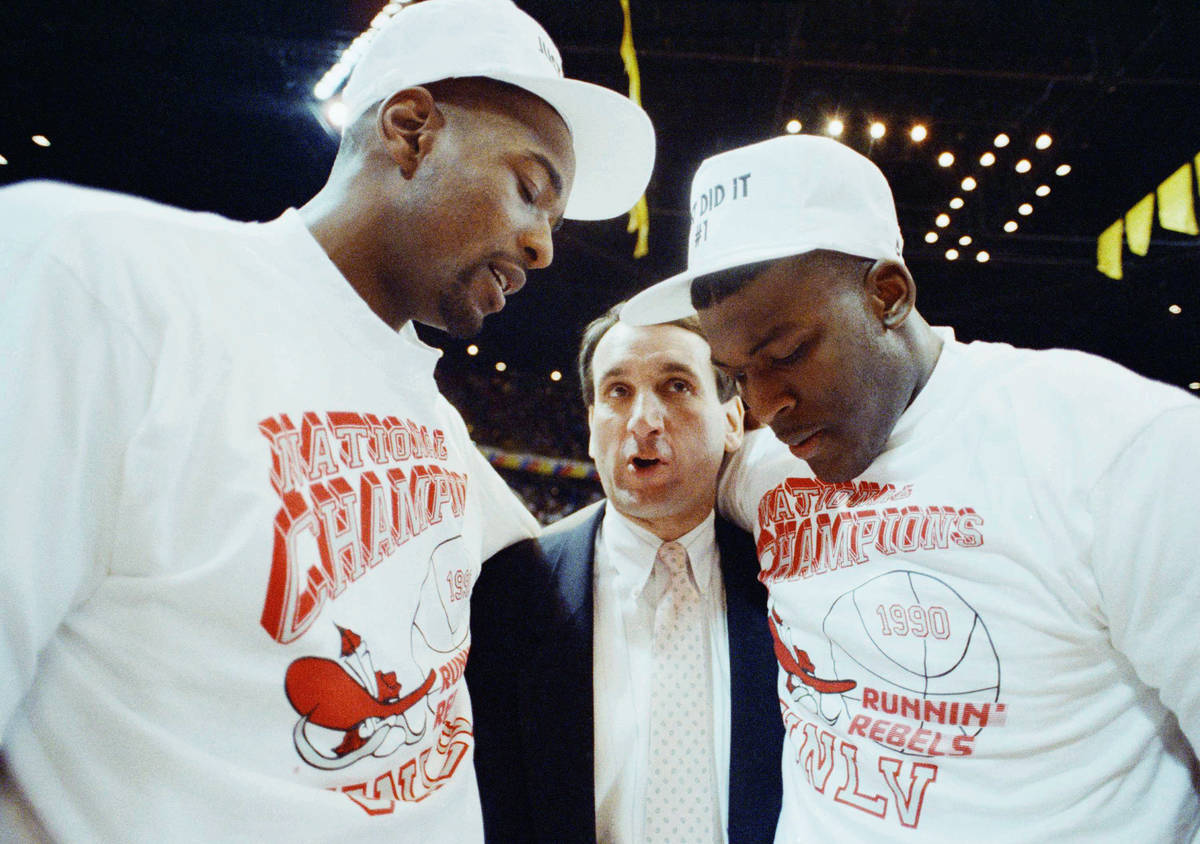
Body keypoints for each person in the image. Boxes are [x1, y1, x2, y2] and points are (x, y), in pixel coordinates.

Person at [0, 0, 654, 840]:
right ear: (412, 130)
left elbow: (564, 564)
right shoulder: (102, 277)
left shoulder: (436, 419)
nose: (543, 248)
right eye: (530, 191)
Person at [620, 134, 1200, 841]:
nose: (767, 404)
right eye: (741, 372)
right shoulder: (767, 468)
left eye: (789, 354)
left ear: (887, 295)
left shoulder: (1123, 449)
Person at [467, 305, 784, 843]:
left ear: (732, 421)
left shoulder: (795, 586)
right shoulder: (509, 592)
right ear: (592, 428)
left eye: (677, 386)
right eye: (617, 392)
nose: (643, 419)